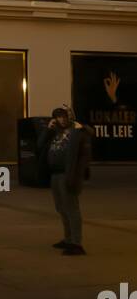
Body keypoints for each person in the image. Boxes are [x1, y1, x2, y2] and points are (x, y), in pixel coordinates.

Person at [37, 105, 93, 256]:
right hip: (55, 174)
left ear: (69, 117)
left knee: (72, 209)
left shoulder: (77, 131)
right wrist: (48, 129)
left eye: (63, 116)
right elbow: (40, 144)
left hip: (68, 174)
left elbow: (89, 135)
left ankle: (76, 242)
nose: (61, 119)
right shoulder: (55, 131)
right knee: (61, 208)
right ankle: (68, 238)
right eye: (58, 117)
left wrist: (81, 127)